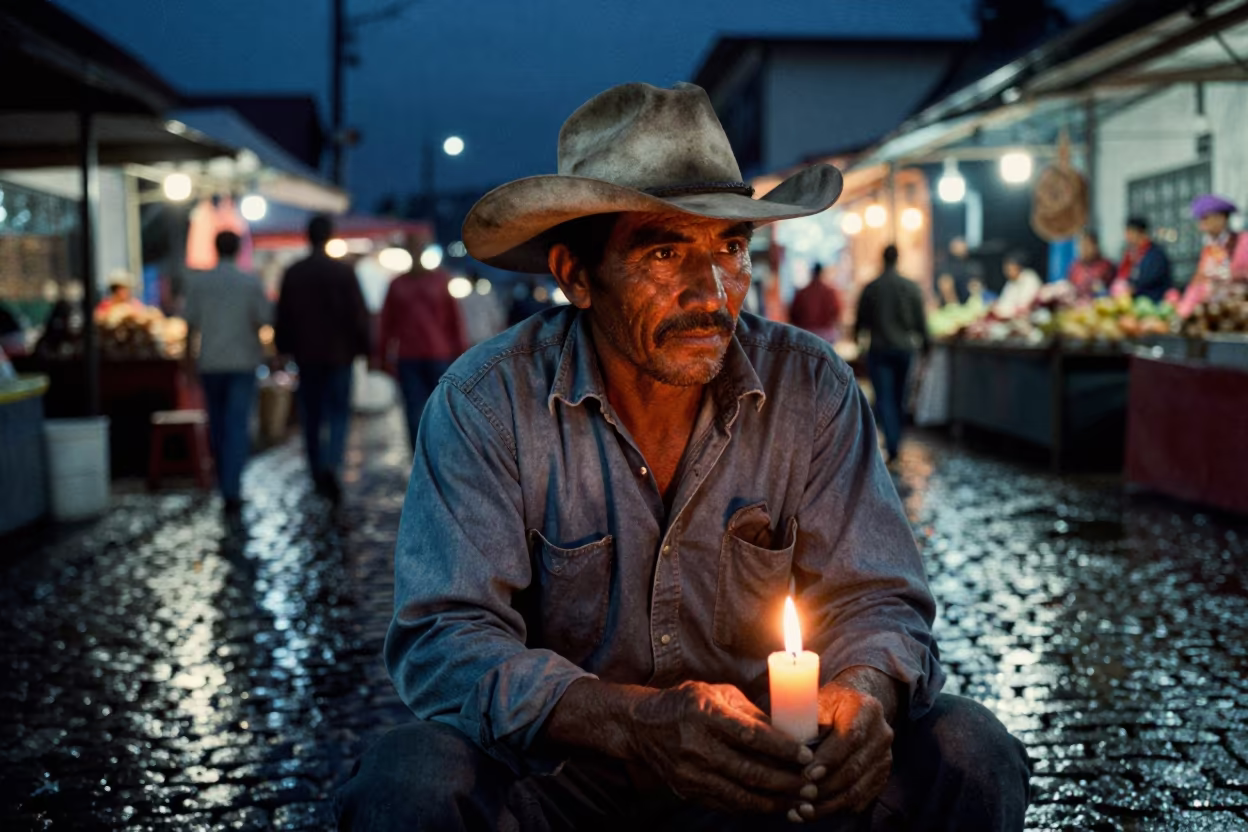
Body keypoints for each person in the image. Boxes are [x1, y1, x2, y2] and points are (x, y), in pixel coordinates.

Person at [336, 81, 1028, 831]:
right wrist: (626, 722)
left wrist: (862, 695)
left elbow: (879, 598)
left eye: (730, 248)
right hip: (569, 780)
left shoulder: (810, 386)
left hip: (775, 776)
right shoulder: (487, 403)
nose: (712, 292)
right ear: (575, 276)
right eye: (665, 250)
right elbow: (446, 638)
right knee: (408, 778)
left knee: (969, 746)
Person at [275, 215, 370, 504]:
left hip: (307, 355)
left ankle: (317, 470)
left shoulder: (294, 272)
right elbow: (358, 314)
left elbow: (283, 316)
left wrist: (283, 349)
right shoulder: (343, 272)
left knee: (312, 416)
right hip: (340, 354)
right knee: (339, 413)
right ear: (329, 237)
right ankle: (332, 464)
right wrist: (365, 348)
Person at [182, 231, 271, 513]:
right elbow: (264, 320)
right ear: (238, 249)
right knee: (236, 425)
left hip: (210, 363)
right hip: (242, 362)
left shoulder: (200, 283)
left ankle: (225, 483)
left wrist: (187, 361)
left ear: (215, 248)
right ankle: (231, 486)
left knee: (218, 425)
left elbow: (190, 327)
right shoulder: (249, 282)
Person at [377, 255, 469, 449]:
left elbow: (454, 320)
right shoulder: (434, 281)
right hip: (427, 355)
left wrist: (383, 356)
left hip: (423, 355)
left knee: (424, 410)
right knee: (428, 410)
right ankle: (430, 455)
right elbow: (387, 324)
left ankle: (426, 456)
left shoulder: (403, 284)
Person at [854, 245, 929, 466]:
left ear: (882, 259)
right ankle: (896, 442)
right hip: (904, 349)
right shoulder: (911, 287)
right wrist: (926, 345)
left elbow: (860, 321)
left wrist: (859, 343)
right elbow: (920, 321)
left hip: (879, 349)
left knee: (885, 398)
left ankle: (893, 445)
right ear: (898, 259)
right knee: (900, 397)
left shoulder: (871, 287)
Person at [1178, 195, 1243, 317]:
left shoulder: (1243, 242)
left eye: (1205, 218)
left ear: (1221, 218)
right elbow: (1198, 283)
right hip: (1217, 315)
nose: (1201, 226)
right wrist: (1183, 310)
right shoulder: (1209, 250)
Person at [1116, 217, 1172, 302]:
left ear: (1140, 233)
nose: (1127, 237)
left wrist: (1133, 289)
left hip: (1154, 301)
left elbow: (1150, 280)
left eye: (1129, 233)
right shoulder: (1132, 254)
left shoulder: (1156, 255)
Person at [788, 262, 842, 342]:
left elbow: (793, 314)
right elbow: (836, 311)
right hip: (824, 333)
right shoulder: (829, 292)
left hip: (807, 332)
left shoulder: (803, 292)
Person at [1065, 230, 1114, 299]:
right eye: (1081, 245)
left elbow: (1110, 291)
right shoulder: (1074, 267)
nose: (1084, 249)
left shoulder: (1105, 266)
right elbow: (1069, 288)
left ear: (1096, 246)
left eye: (1087, 245)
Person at [935, 236, 982, 307]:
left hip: (969, 305)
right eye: (958, 246)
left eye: (963, 246)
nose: (962, 248)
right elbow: (946, 287)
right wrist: (953, 307)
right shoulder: (946, 267)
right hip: (951, 307)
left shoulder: (972, 265)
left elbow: (976, 286)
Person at [994, 250, 1042, 318]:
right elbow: (1003, 303)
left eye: (1009, 269)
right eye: (1005, 269)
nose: (1007, 272)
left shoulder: (1029, 278)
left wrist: (1003, 311)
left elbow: (1024, 304)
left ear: (1018, 267)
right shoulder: (1010, 283)